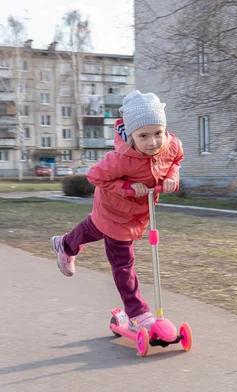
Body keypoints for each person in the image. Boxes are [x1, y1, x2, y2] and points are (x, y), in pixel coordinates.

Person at [51, 90, 184, 332]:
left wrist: (172, 177)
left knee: (93, 228)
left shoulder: (171, 145)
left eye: (158, 133)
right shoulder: (119, 159)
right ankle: (138, 313)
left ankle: (65, 245)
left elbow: (176, 161)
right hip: (114, 207)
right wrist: (126, 187)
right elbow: (94, 177)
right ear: (131, 135)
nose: (153, 142)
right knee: (123, 262)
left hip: (137, 213)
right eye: (143, 136)